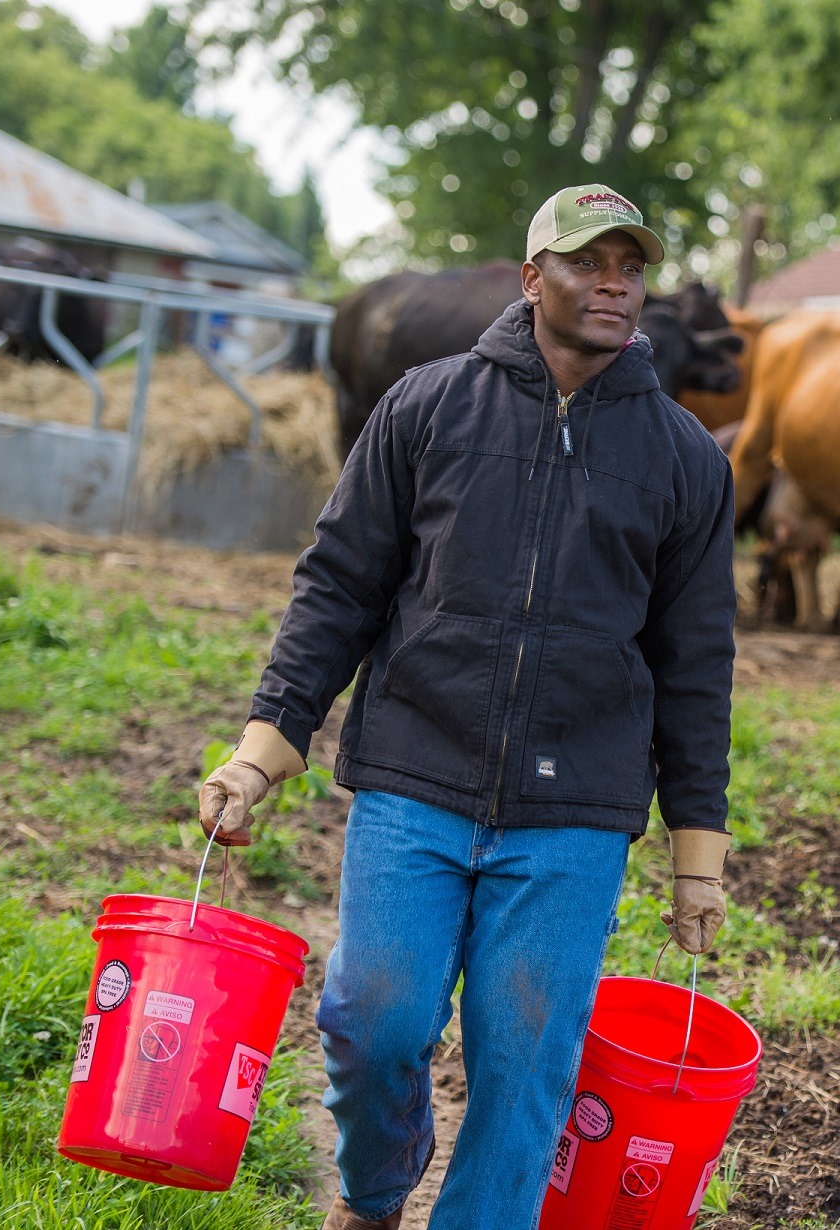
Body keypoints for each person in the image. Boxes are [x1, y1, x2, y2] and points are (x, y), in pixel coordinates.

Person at [198, 184, 737, 1230]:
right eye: (587, 262)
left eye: (631, 266)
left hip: (576, 808)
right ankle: (376, 1190)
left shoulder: (682, 457)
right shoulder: (427, 406)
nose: (614, 283)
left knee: (527, 1062)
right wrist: (265, 747)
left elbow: (696, 664)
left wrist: (697, 856)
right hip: (417, 772)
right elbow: (339, 587)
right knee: (372, 1021)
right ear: (532, 278)